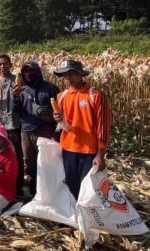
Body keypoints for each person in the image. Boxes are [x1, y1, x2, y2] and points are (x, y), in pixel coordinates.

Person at [53, 60, 112, 199]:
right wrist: (57, 119)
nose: (68, 77)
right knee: (71, 186)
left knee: (88, 189)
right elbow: (62, 125)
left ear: (81, 74)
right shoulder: (61, 97)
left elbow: (103, 125)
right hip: (68, 149)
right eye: (64, 74)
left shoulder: (96, 95)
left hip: (89, 151)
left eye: (71, 73)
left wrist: (100, 154)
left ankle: (88, 218)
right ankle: (73, 216)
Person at [12, 60, 60, 196]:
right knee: (31, 165)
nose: (28, 74)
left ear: (37, 72)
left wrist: (56, 134)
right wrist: (14, 98)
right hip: (26, 132)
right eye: (25, 71)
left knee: (47, 164)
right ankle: (34, 193)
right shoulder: (21, 90)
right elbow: (14, 111)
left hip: (45, 131)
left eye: (31, 71)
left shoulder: (51, 88)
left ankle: (49, 193)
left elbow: (60, 113)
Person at [0, 54, 23, 196]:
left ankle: (17, 187)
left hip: (13, 124)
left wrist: (18, 95)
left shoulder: (16, 80)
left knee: (15, 157)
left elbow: (22, 103)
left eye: (5, 64)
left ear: (10, 64)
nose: (2, 67)